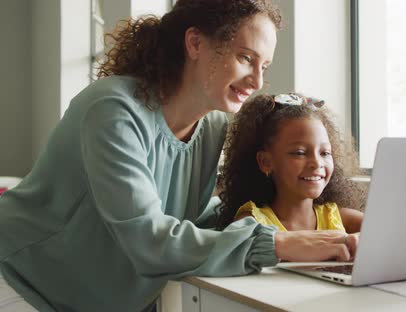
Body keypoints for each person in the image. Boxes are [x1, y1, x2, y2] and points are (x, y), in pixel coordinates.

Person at [0, 1, 356, 311]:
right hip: (22, 284)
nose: (257, 81)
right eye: (246, 58)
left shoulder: (213, 125)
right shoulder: (113, 109)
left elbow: (192, 217)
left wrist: (309, 218)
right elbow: (149, 239)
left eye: (264, 66)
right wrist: (277, 243)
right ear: (196, 43)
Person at [216, 93, 366, 250]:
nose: (316, 163)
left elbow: (387, 234)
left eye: (325, 153)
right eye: (300, 153)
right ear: (265, 162)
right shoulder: (253, 221)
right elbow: (233, 248)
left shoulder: (338, 217)